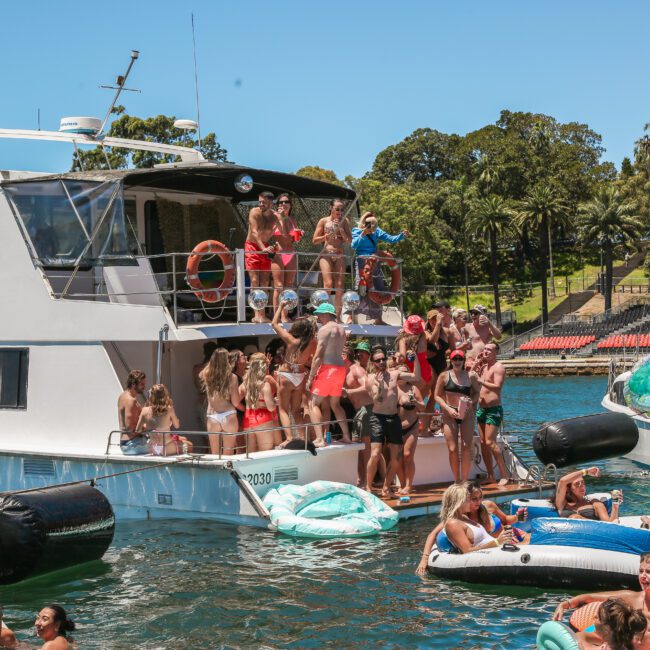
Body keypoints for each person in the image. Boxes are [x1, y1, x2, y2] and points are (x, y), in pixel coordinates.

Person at [553, 553, 650, 642]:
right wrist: (565, 604)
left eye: (648, 572)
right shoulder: (632, 598)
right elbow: (590, 597)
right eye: (641, 571)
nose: (643, 576)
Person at [364, 345, 421, 497]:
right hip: (378, 418)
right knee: (375, 453)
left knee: (396, 457)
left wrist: (416, 359)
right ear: (373, 363)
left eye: (384, 359)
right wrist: (381, 387)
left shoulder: (395, 374)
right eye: (378, 360)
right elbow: (377, 399)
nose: (382, 362)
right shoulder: (370, 379)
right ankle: (368, 487)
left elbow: (416, 376)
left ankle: (386, 487)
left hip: (393, 418)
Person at [350, 211, 409, 325]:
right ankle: (352, 317)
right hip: (362, 262)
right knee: (360, 289)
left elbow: (390, 239)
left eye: (373, 224)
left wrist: (401, 235)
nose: (372, 227)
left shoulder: (377, 231)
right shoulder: (356, 231)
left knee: (379, 288)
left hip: (374, 262)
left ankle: (379, 319)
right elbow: (353, 245)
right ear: (364, 222)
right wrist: (363, 233)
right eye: (369, 223)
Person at [272, 300, 318, 442]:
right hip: (300, 376)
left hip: (286, 375)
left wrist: (280, 307)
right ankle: (304, 439)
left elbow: (273, 324)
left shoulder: (291, 340)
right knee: (296, 411)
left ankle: (289, 439)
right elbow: (314, 358)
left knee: (283, 409)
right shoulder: (313, 342)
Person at [307, 302, 352, 447]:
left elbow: (318, 356)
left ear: (326, 314)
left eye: (319, 314)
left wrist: (311, 376)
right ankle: (346, 436)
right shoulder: (342, 330)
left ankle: (320, 439)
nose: (318, 317)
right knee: (335, 404)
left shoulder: (325, 330)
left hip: (328, 368)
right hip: (340, 368)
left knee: (313, 403)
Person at [434, 349, 481, 483]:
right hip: (450, 414)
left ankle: (465, 480)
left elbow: (477, 392)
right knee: (453, 448)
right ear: (451, 360)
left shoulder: (470, 376)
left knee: (466, 447)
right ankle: (457, 480)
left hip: (467, 414)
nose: (457, 361)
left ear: (463, 360)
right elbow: (436, 396)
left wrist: (472, 401)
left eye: (460, 359)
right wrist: (448, 408)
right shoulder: (444, 376)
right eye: (455, 359)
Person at [474, 342, 510, 486]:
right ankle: (490, 476)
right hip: (481, 409)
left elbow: (497, 387)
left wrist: (481, 380)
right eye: (485, 349)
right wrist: (476, 363)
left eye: (489, 350)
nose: (486, 352)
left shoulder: (498, 367)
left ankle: (504, 474)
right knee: (483, 443)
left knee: (490, 442)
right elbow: (473, 380)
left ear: (496, 353)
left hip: (493, 410)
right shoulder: (483, 367)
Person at [312, 199, 353, 319]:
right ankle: (322, 315)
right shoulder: (323, 221)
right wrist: (326, 236)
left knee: (340, 285)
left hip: (339, 254)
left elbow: (350, 241)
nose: (340, 212)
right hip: (326, 254)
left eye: (342, 210)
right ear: (331, 208)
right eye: (337, 209)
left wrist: (340, 230)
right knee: (328, 284)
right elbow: (314, 240)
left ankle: (338, 317)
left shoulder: (344, 221)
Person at [558, 597, 647, 650]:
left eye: (597, 618)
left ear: (607, 629)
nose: (593, 618)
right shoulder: (625, 645)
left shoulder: (588, 647)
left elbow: (579, 637)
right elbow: (582, 635)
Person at [245, 191, 281, 323]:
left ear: (271, 203)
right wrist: (263, 248)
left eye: (264, 202)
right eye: (259, 201)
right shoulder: (254, 212)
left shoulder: (275, 217)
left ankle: (263, 314)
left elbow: (282, 234)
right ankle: (256, 315)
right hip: (252, 246)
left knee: (265, 282)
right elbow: (254, 232)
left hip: (265, 246)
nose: (261, 204)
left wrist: (276, 245)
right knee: (255, 281)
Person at [342, 341, 374, 486]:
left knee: (366, 448)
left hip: (366, 410)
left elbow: (368, 387)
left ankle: (367, 482)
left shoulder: (356, 370)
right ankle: (362, 479)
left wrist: (349, 391)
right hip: (358, 412)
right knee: (360, 449)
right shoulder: (346, 371)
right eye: (358, 351)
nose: (359, 354)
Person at [200, 347, 241, 455]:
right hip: (228, 415)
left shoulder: (207, 374)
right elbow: (235, 402)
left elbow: (201, 373)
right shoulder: (232, 377)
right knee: (229, 454)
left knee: (215, 454)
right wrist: (244, 408)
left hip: (212, 415)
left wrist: (213, 363)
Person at [271, 193, 303, 321]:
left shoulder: (292, 219)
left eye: (286, 202)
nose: (283, 204)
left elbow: (292, 240)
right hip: (278, 253)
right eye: (280, 202)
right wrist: (282, 217)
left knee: (288, 285)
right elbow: (282, 234)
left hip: (290, 253)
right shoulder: (274, 217)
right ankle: (276, 316)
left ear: (290, 205)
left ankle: (284, 315)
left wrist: (299, 234)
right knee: (278, 286)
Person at [135, 384, 192, 456]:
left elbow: (138, 430)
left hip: (152, 447)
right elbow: (177, 426)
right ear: (164, 395)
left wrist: (149, 426)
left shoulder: (144, 410)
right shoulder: (169, 409)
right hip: (166, 447)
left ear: (151, 396)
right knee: (189, 445)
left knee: (183, 439)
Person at [240, 352, 279, 451]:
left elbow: (235, 401)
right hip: (263, 419)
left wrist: (244, 408)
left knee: (250, 454)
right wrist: (275, 402)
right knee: (265, 452)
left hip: (248, 419)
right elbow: (270, 407)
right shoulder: (264, 385)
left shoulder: (245, 383)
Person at [423, 301, 452, 433]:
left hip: (443, 364)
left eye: (437, 318)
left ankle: (443, 425)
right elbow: (433, 340)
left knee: (444, 396)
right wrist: (438, 325)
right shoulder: (426, 332)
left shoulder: (446, 332)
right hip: (431, 364)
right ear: (428, 321)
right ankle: (426, 425)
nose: (435, 321)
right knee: (434, 396)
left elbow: (452, 348)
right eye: (432, 319)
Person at [555, 466, 622, 521]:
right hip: (568, 535)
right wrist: (586, 471)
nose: (582, 486)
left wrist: (615, 506)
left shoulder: (594, 503)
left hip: (590, 534)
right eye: (577, 484)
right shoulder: (562, 504)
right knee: (574, 517)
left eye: (583, 482)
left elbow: (609, 525)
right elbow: (562, 481)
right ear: (568, 489)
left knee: (574, 517)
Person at [397, 367, 425, 495]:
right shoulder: (392, 388)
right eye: (400, 373)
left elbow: (423, 407)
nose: (403, 375)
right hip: (396, 427)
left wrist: (416, 403)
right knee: (397, 458)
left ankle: (409, 485)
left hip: (411, 426)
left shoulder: (413, 389)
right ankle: (402, 484)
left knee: (407, 455)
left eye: (405, 373)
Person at [117, 369, 148, 455]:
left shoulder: (122, 396)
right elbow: (130, 428)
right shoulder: (131, 400)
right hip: (132, 444)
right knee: (164, 447)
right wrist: (147, 427)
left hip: (126, 443)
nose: (144, 387)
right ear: (134, 384)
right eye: (142, 384)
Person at [464, 304, 501, 369]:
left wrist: (489, 323)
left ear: (482, 315)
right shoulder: (467, 327)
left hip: (484, 363)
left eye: (475, 313)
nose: (473, 315)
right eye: (471, 313)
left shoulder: (488, 327)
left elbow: (498, 336)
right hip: (470, 362)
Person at [193, 341, 218, 429]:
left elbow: (198, 386)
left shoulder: (197, 368)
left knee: (206, 434)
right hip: (213, 403)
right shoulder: (217, 369)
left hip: (201, 401)